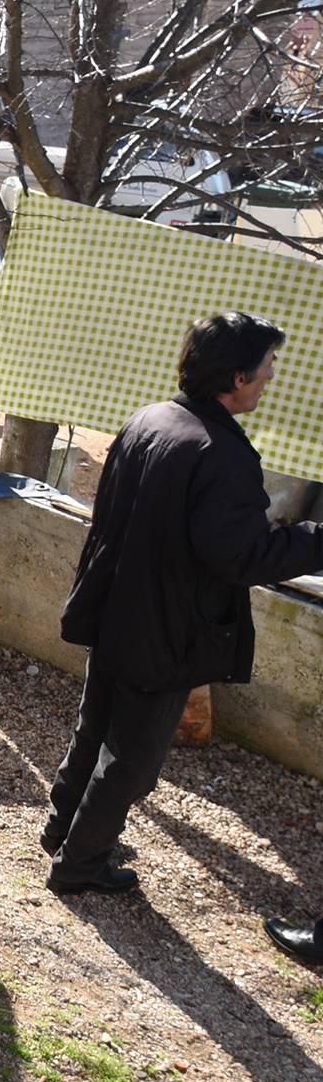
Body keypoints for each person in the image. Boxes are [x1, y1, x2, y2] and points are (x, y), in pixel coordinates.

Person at [47, 312, 323, 896]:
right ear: (238, 377)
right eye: (268, 369)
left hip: (114, 606)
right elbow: (240, 557)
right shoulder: (221, 455)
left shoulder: (151, 419)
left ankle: (63, 829)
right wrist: (313, 541)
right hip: (165, 627)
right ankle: (79, 865)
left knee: (94, 727)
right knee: (133, 760)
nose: (271, 379)